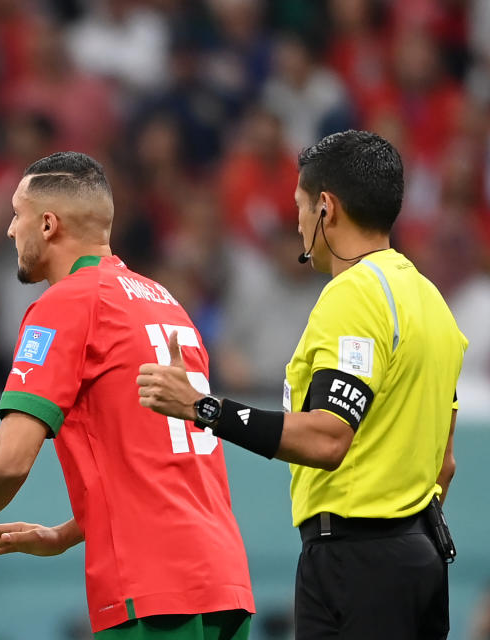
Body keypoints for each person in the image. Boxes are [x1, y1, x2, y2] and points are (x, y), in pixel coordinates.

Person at [0, 152, 255, 638]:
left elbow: (11, 459)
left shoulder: (67, 303)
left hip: (149, 585)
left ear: (47, 224)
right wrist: (67, 533)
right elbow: (157, 459)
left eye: (16, 214)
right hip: (223, 580)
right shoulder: (165, 303)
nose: (10, 231)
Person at [135, 130, 467, 639]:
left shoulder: (353, 294)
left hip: (356, 565)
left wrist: (203, 408)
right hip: (419, 561)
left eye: (299, 205)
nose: (296, 221)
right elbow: (443, 464)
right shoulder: (432, 303)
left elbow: (329, 437)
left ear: (325, 209)